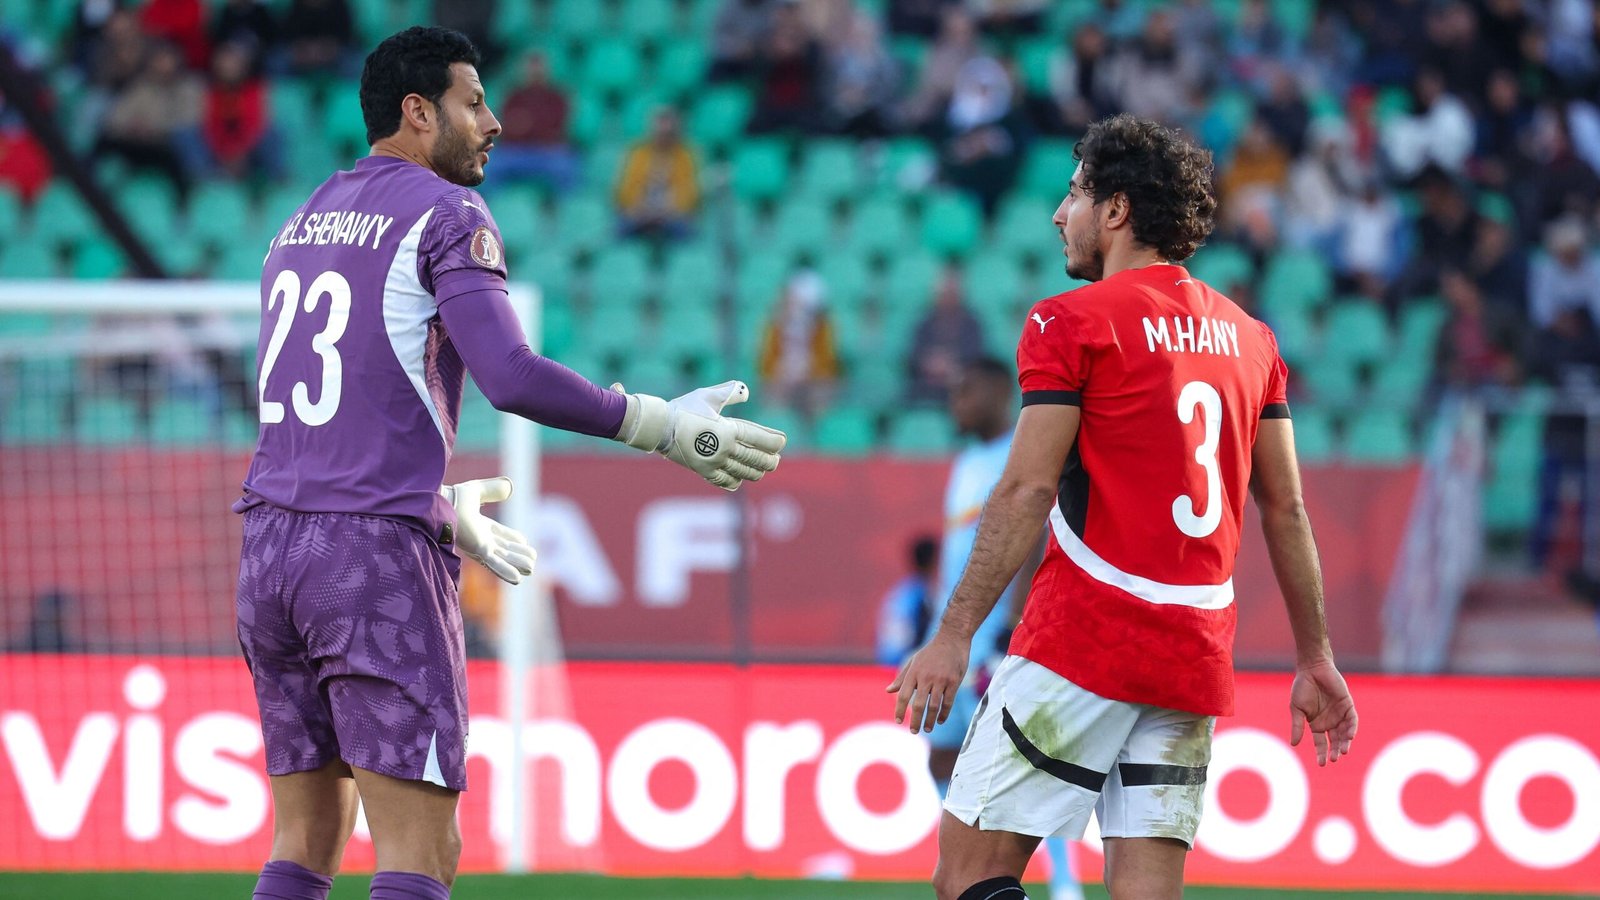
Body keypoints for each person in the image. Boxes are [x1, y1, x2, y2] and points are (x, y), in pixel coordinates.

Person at [235, 28, 786, 900]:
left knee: (305, 838)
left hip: (269, 554)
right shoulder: (444, 212)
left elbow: (325, 430)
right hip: (369, 564)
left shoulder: (300, 222)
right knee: (421, 854)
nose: (493, 122)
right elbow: (512, 376)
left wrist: (440, 507)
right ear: (419, 113)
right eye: (473, 102)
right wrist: (659, 426)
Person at [888, 114, 1358, 900]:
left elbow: (1028, 489)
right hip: (1193, 656)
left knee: (967, 875)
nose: (1057, 215)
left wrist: (953, 637)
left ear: (1115, 212)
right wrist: (1316, 658)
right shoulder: (1253, 339)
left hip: (1085, 640)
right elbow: (1287, 510)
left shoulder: (1067, 322)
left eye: (1072, 194)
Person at [921, 357, 1083, 900]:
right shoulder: (966, 461)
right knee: (942, 754)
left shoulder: (1018, 455)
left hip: (998, 641)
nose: (955, 404)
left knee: (1020, 769)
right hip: (955, 640)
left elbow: (1036, 530)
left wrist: (1012, 621)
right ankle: (959, 858)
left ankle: (1063, 878)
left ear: (995, 392)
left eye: (964, 391)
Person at [486, 52, 580, 194]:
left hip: (547, 151)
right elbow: (506, 127)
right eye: (531, 70)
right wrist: (527, 126)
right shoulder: (514, 96)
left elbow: (559, 129)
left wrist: (527, 125)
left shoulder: (556, 97)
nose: (535, 74)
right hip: (517, 150)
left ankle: (563, 210)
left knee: (567, 166)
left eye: (539, 70)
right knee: (490, 166)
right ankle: (490, 210)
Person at [757, 269, 840, 420]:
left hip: (813, 379)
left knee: (822, 394)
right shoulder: (776, 324)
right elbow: (766, 361)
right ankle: (776, 431)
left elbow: (827, 363)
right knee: (772, 393)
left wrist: (809, 371)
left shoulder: (823, 327)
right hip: (782, 379)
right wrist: (781, 371)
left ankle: (817, 436)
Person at [615, 107, 700, 241]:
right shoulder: (638, 154)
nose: (664, 137)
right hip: (640, 212)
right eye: (660, 133)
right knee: (618, 229)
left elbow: (690, 194)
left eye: (668, 133)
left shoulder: (686, 157)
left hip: (672, 214)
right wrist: (638, 208)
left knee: (685, 229)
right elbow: (625, 189)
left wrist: (668, 211)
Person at [876, 534, 940, 667]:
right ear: (933, 560)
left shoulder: (899, 592)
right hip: (905, 667)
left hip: (888, 664)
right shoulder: (922, 596)